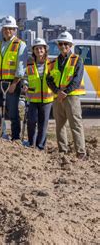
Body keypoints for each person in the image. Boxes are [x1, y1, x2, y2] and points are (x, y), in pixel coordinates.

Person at [46, 31, 87, 159]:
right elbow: (49, 79)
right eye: (61, 44)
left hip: (72, 97)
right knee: (60, 125)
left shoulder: (77, 60)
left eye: (66, 44)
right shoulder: (52, 63)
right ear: (58, 45)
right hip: (58, 97)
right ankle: (63, 150)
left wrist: (65, 91)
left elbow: (77, 79)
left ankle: (80, 152)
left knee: (75, 124)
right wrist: (57, 91)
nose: (63, 46)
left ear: (70, 45)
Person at [0, 15, 27, 140]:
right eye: (5, 28)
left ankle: (15, 137)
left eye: (10, 29)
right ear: (2, 29)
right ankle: (1, 130)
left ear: (14, 30)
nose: (8, 31)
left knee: (13, 112)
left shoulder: (20, 45)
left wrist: (15, 83)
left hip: (12, 82)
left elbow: (21, 66)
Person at [22, 38, 54, 150]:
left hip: (47, 99)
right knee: (31, 122)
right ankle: (31, 143)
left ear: (45, 50)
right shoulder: (29, 65)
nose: (39, 50)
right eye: (36, 48)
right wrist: (25, 85)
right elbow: (25, 78)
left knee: (43, 124)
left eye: (41, 48)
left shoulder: (51, 64)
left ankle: (40, 146)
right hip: (33, 99)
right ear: (33, 51)